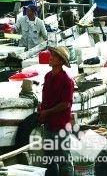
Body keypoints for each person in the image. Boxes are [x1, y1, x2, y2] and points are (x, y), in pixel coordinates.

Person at [38, 46, 74, 176]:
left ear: (61, 61)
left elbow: (65, 104)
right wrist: (41, 108)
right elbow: (47, 98)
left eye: (54, 56)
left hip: (60, 126)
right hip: (48, 124)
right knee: (49, 158)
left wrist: (47, 112)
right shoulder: (48, 76)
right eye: (51, 55)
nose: (50, 57)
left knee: (64, 160)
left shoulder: (67, 81)